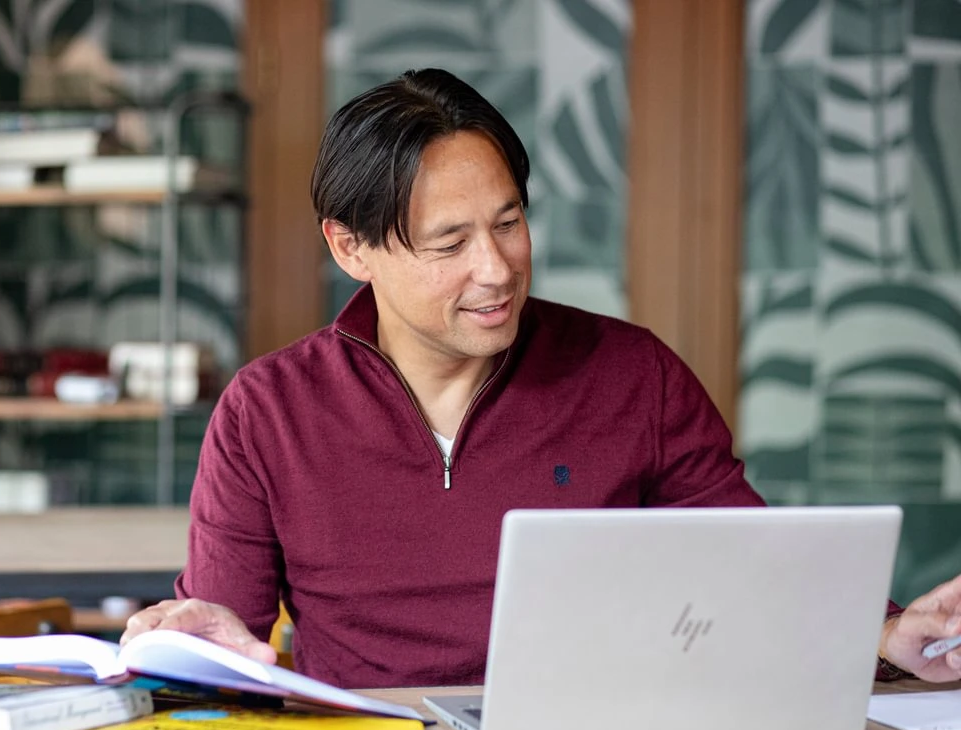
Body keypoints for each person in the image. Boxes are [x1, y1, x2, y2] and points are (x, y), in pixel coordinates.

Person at [123, 68, 961, 689]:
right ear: (351, 248)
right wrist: (183, 646)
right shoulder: (268, 411)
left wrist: (882, 633)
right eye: (450, 244)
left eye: (510, 222)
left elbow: (752, 568)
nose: (496, 268)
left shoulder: (633, 375)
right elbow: (220, 650)